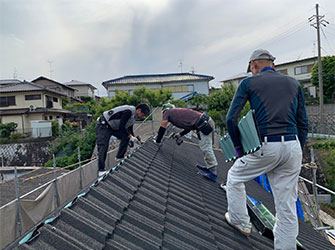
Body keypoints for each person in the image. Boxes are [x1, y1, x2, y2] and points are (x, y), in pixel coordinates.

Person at [225, 49, 308, 249]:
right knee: (286, 205)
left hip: (267, 145)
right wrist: (297, 150)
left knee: (235, 177)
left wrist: (239, 149)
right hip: (293, 145)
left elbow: (231, 119)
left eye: (251, 68)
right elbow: (303, 123)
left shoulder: (248, 83)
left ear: (253, 65)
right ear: (272, 63)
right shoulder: (294, 83)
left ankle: (240, 222)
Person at [154, 103, 218, 181]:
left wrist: (157, 141)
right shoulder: (178, 114)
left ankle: (213, 173)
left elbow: (162, 126)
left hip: (204, 124)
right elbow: (189, 127)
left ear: (164, 111)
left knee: (206, 148)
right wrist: (179, 134)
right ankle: (209, 167)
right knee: (204, 146)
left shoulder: (168, 112)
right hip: (204, 122)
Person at [96, 104, 150, 176]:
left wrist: (134, 138)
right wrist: (130, 136)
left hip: (114, 127)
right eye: (142, 115)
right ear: (139, 110)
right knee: (103, 146)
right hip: (104, 125)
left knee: (126, 137)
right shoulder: (128, 112)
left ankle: (119, 157)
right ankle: (101, 170)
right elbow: (122, 127)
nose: (142, 117)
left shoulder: (134, 117)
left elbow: (129, 129)